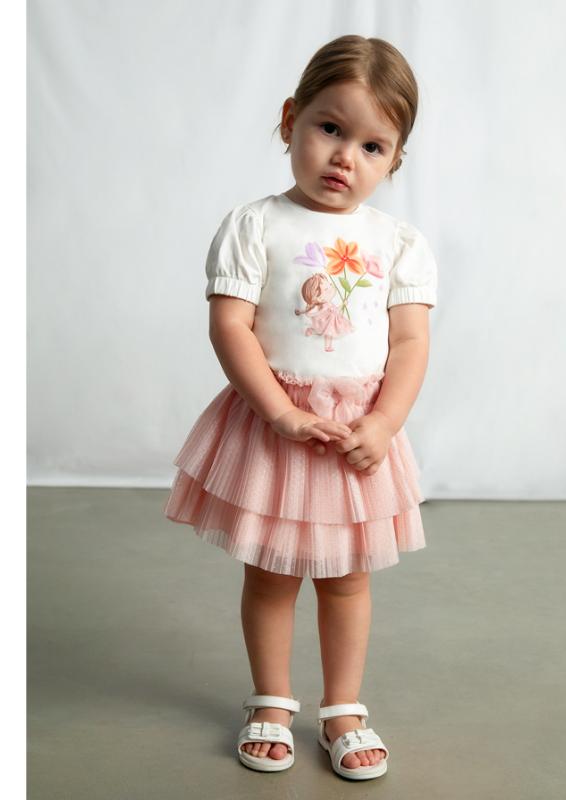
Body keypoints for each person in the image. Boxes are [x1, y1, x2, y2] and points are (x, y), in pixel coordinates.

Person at [164, 34, 437, 781]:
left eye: (373, 146)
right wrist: (278, 412)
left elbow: (410, 342)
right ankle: (272, 701)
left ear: (395, 160)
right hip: (277, 427)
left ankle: (343, 707)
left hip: (355, 433)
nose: (346, 157)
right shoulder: (256, 225)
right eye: (330, 128)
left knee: (348, 578)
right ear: (291, 120)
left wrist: (385, 421)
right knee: (272, 575)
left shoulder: (398, 243)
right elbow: (231, 325)